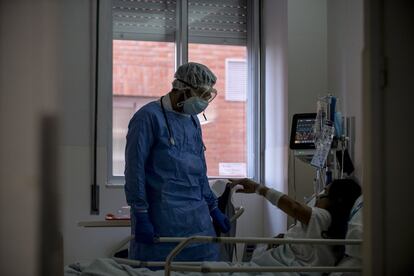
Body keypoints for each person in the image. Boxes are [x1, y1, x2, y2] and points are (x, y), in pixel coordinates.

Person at [124, 62, 231, 263]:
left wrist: (213, 207)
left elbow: (199, 170)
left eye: (208, 95)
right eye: (201, 94)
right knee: (160, 267)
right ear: (182, 88)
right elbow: (134, 169)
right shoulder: (147, 117)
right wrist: (141, 213)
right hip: (162, 219)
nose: (204, 101)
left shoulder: (192, 120)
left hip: (197, 221)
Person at [229, 178, 362, 272]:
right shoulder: (333, 229)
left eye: (324, 193)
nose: (318, 197)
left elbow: (294, 208)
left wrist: (259, 188)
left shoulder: (325, 218)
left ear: (337, 200)